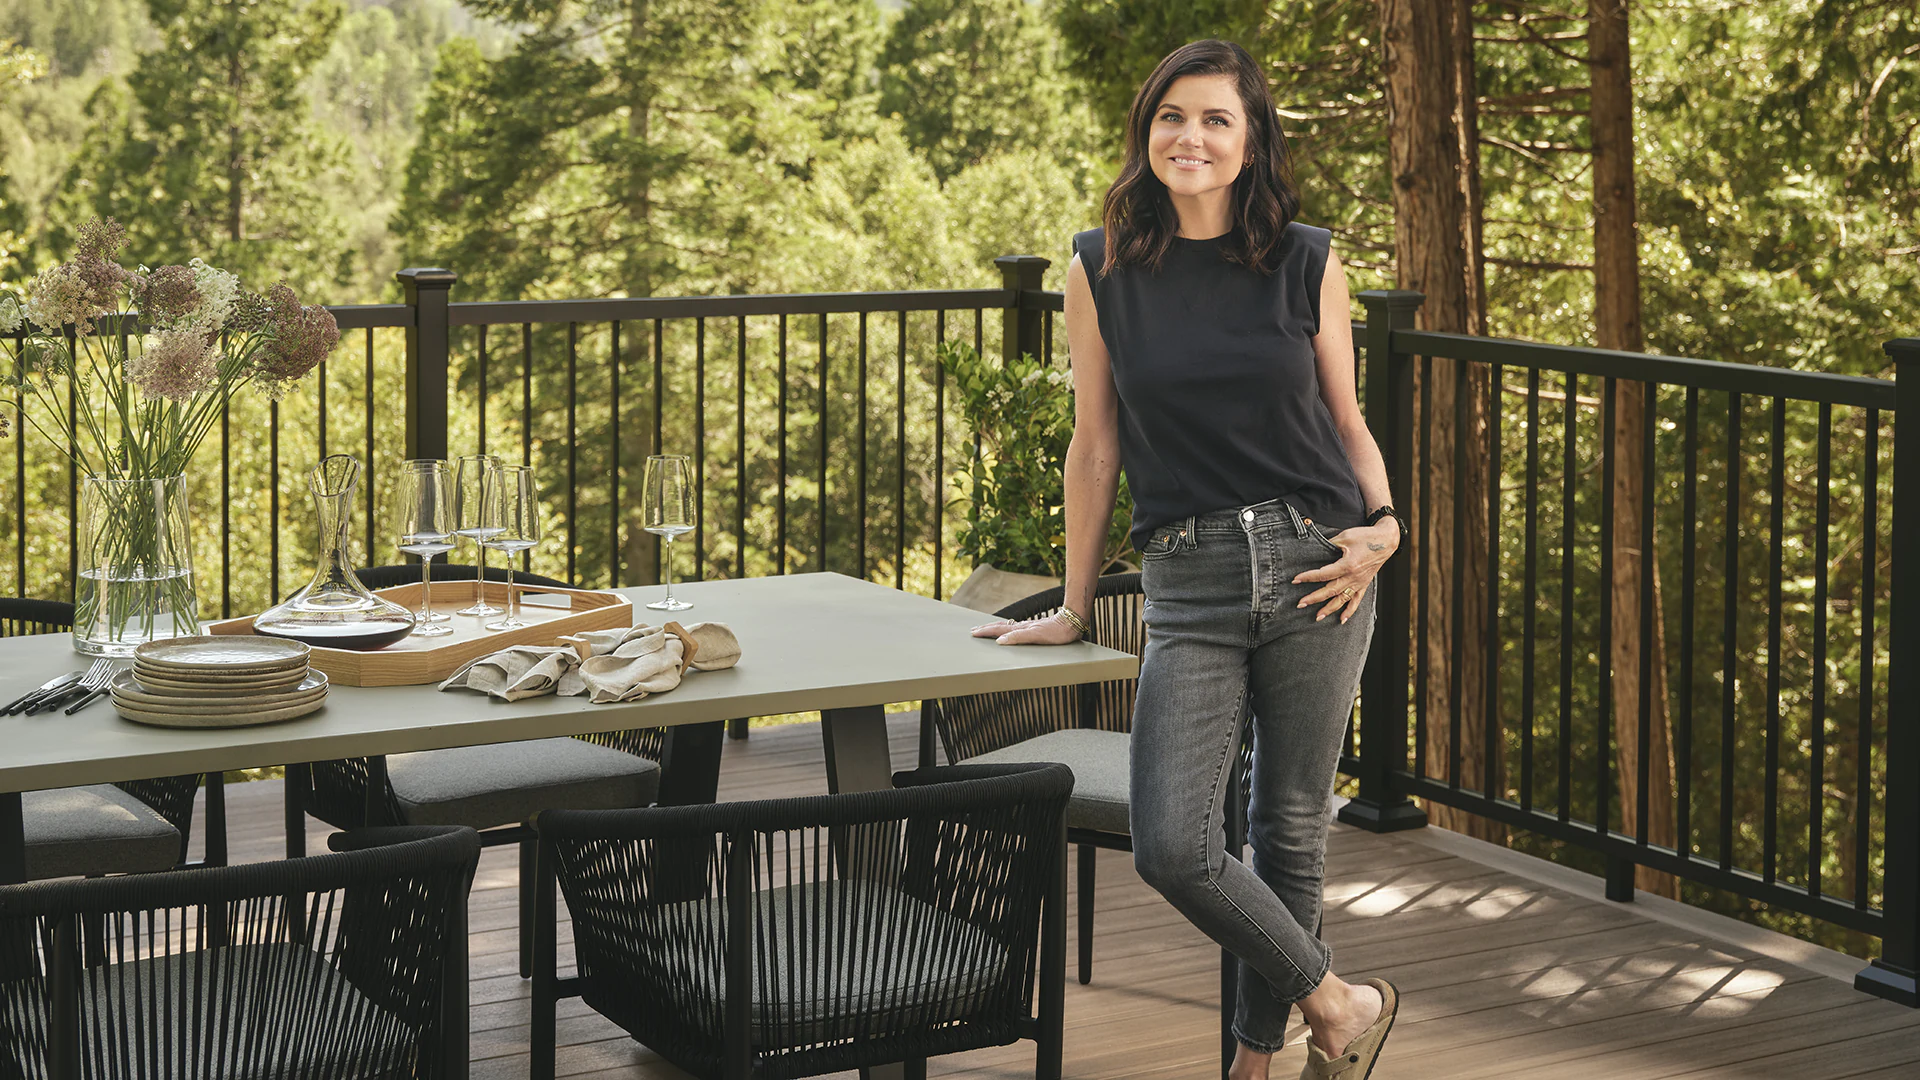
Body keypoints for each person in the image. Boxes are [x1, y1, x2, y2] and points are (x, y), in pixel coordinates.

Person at [968, 39, 1408, 1080]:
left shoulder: (1306, 257)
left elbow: (1347, 420)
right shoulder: (1102, 266)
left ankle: (1254, 1068)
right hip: (1191, 581)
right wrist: (1075, 605)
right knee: (1174, 842)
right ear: (1145, 133)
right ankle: (1343, 1002)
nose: (1192, 137)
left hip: (1321, 566)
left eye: (1217, 119)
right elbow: (1096, 445)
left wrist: (1386, 525)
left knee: (1291, 830)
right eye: (1173, 117)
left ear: (1251, 140)